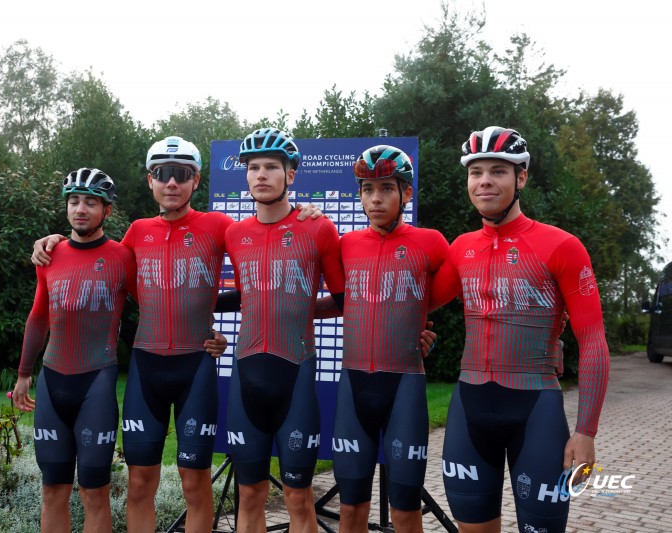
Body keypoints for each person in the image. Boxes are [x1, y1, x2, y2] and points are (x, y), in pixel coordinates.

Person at [31, 136, 321, 533]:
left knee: (194, 483)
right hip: (146, 368)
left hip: (195, 367)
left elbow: (260, 274)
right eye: (163, 174)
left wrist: (305, 210)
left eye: (180, 174)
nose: (171, 183)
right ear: (150, 181)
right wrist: (54, 241)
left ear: (195, 180)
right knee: (139, 483)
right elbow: (95, 254)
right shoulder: (135, 232)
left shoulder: (221, 227)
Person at [429, 127, 610, 533]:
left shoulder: (561, 246)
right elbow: (415, 303)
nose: (485, 181)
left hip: (536, 411)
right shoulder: (462, 248)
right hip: (469, 407)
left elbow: (594, 341)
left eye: (498, 171)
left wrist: (586, 432)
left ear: (521, 178)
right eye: (476, 173)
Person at [218, 127, 347, 533]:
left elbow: (344, 300)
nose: (261, 174)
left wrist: (306, 309)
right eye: (253, 167)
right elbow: (245, 296)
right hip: (247, 375)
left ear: (290, 175)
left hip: (297, 373)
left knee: (298, 497)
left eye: (272, 166)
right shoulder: (234, 234)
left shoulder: (319, 228)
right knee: (250, 494)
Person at [329, 145, 449, 533]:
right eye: (367, 189)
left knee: (405, 511)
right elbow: (342, 302)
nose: (375, 198)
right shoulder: (346, 245)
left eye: (385, 188)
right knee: (350, 509)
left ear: (406, 193)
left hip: (405, 386)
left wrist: (422, 324)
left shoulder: (431, 242)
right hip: (354, 384)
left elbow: (463, 291)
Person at [12, 168, 137, 533]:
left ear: (106, 211)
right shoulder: (50, 255)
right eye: (74, 201)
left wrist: (204, 331)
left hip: (95, 384)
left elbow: (156, 304)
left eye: (90, 202)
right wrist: (23, 375)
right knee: (52, 490)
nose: (80, 209)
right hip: (52, 383)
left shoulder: (122, 257)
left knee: (94, 492)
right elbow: (38, 318)